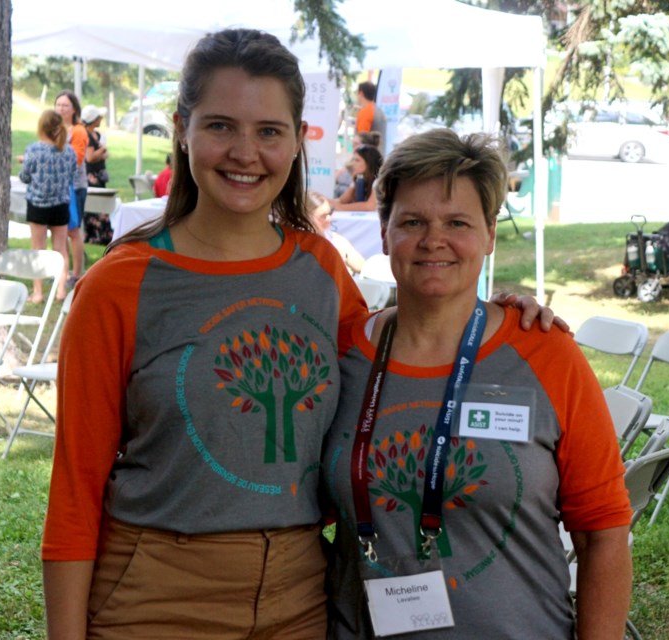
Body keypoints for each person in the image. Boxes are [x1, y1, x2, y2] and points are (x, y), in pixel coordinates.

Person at [41, 29, 560, 640]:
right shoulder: (117, 287)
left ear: (296, 141)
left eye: (268, 131)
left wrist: (493, 313)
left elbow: (402, 347)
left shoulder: (319, 269)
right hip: (158, 594)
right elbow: (75, 494)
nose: (244, 152)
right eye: (220, 126)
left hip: (300, 595)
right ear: (182, 129)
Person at [322, 129, 632, 639]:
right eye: (412, 221)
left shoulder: (545, 352)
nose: (433, 239)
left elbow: (603, 533)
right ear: (383, 232)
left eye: (457, 222)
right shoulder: (340, 355)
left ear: (489, 234)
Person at [18, 110, 77, 302]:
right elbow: (71, 176)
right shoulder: (68, 151)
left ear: (42, 128)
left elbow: (24, 177)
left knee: (38, 248)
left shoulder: (34, 150)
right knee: (61, 249)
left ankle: (38, 292)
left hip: (38, 204)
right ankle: (61, 290)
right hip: (60, 204)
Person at [54, 90, 88, 288]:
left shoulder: (78, 131)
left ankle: (76, 274)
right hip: (57, 187)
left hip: (74, 187)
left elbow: (77, 159)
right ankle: (63, 273)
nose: (61, 108)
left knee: (73, 230)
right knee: (59, 231)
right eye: (58, 104)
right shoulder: (55, 129)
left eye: (65, 105)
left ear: (74, 108)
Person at [308, 190, 364, 275]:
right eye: (323, 216)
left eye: (330, 213)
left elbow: (361, 267)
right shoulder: (296, 244)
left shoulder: (337, 240)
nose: (329, 219)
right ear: (307, 217)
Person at [81, 105, 114, 245]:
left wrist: (101, 152)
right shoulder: (86, 136)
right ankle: (93, 235)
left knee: (102, 205)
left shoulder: (98, 135)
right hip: (91, 177)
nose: (101, 119)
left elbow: (105, 154)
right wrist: (102, 151)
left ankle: (104, 235)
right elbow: (89, 157)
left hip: (99, 175)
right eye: (98, 117)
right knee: (93, 207)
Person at [330, 144, 382, 212]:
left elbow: (369, 206)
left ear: (369, 163)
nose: (353, 164)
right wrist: (321, 201)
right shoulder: (359, 179)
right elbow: (341, 201)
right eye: (353, 160)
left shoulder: (379, 181)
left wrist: (339, 207)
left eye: (357, 160)